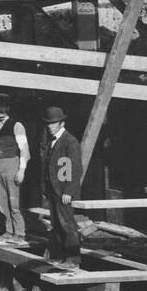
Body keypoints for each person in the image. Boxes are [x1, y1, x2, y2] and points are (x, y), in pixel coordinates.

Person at [0, 93, 29, 242]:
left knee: (13, 201)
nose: (0, 110)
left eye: (3, 106)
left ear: (8, 108)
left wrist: (21, 169)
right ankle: (9, 231)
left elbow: (24, 149)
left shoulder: (17, 125)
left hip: (11, 163)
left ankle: (19, 233)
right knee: (1, 200)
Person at [40, 106, 82, 270]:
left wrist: (69, 192)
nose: (50, 126)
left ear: (61, 123)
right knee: (56, 223)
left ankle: (73, 258)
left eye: (53, 123)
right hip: (53, 189)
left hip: (63, 190)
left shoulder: (70, 141)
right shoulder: (52, 141)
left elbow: (75, 168)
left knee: (67, 224)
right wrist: (45, 187)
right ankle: (58, 256)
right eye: (48, 124)